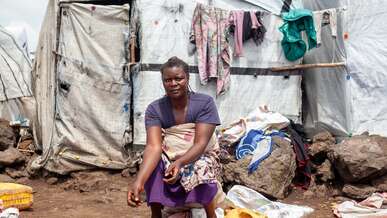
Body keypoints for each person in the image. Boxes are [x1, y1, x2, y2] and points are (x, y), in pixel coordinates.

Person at [127, 57, 222, 218]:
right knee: (153, 164)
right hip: (170, 154)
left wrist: (180, 162)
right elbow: (154, 147)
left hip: (198, 153)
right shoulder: (155, 109)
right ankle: (156, 214)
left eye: (178, 78)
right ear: (163, 82)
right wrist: (139, 181)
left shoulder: (204, 103)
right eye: (168, 80)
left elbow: (200, 143)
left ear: (187, 78)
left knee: (202, 165)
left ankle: (210, 213)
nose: (173, 84)